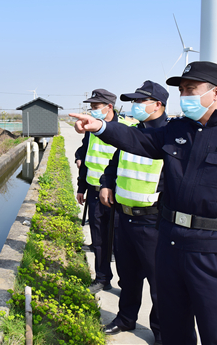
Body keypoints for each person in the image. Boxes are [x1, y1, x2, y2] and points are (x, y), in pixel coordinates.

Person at [69, 61, 217, 345]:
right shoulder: (177, 130)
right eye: (182, 90)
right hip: (169, 243)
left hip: (211, 250)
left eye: (191, 89)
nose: (185, 96)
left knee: (214, 330)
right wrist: (102, 126)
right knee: (173, 328)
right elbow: (136, 139)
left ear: (216, 92)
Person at [99, 81, 169, 345]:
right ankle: (126, 318)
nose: (135, 106)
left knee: (159, 281)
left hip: (153, 220)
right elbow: (113, 164)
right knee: (128, 275)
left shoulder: (170, 136)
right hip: (124, 217)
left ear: (158, 105)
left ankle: (161, 332)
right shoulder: (132, 133)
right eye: (134, 102)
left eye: (141, 102)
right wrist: (106, 184)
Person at [74, 89, 135, 294]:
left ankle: (127, 284)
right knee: (99, 240)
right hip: (94, 192)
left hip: (117, 195)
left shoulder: (126, 128)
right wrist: (81, 187)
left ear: (109, 106)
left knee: (120, 243)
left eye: (95, 107)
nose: (92, 111)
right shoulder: (91, 129)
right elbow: (86, 155)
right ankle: (102, 278)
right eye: (90, 107)